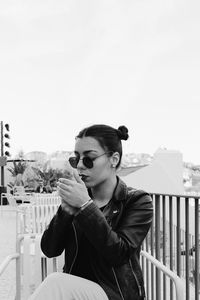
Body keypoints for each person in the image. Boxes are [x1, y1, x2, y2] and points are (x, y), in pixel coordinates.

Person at [29, 124, 153, 300]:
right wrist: (65, 212)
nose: (79, 166)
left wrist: (86, 207)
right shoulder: (78, 198)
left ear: (114, 159)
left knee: (56, 282)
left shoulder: (138, 201)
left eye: (89, 158)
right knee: (57, 283)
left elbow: (119, 254)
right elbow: (50, 250)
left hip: (115, 294)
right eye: (76, 159)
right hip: (75, 292)